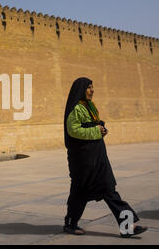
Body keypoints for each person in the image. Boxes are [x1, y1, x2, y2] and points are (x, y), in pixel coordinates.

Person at [63, 77, 148, 238]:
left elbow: (91, 126)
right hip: (84, 162)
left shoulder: (90, 107)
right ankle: (70, 223)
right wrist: (96, 131)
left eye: (93, 87)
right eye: (89, 87)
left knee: (110, 190)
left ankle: (128, 226)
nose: (92, 90)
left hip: (98, 158)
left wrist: (101, 129)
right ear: (81, 89)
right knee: (79, 192)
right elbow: (73, 130)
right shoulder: (76, 108)